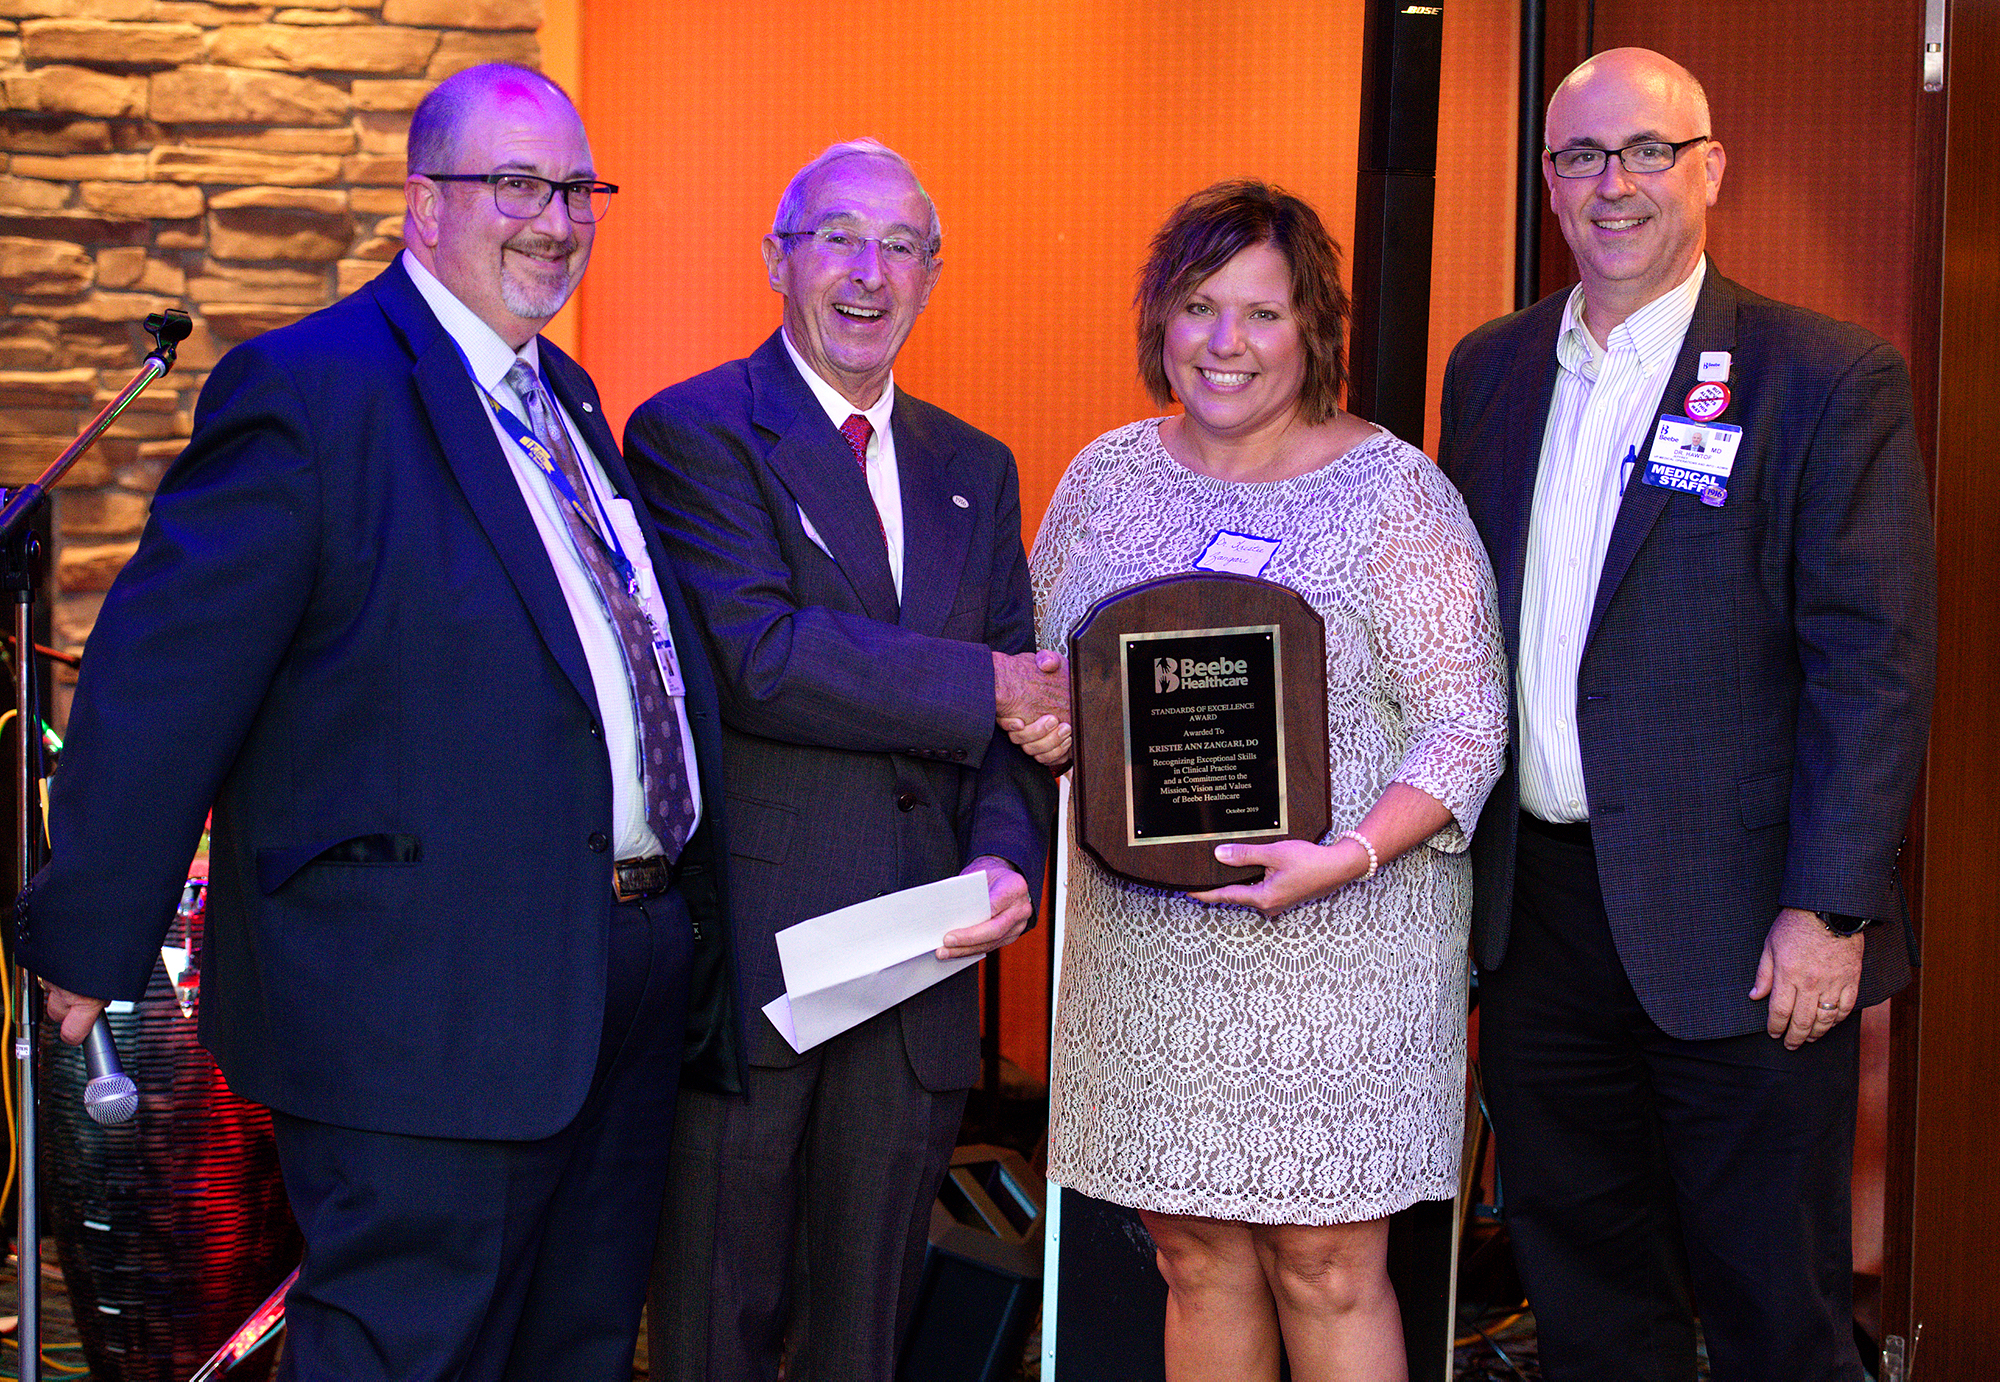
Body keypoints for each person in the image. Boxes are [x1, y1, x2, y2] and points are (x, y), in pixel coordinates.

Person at [13, 64, 740, 1381]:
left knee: (569, 1352)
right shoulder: (314, 389)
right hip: (421, 1002)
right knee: (407, 1351)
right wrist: (90, 927)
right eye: (516, 183)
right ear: (422, 204)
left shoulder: (566, 397)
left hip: (610, 982)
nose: (556, 217)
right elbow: (167, 669)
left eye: (577, 188)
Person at [1438, 48, 1936, 1382]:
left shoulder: (1822, 378)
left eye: (1648, 151)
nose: (1615, 185)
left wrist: (1832, 905)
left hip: (1748, 926)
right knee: (1590, 1302)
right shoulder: (1486, 371)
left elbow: (1871, 662)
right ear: (1548, 183)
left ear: (1711, 168)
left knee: (1777, 1307)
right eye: (1581, 157)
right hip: (1534, 918)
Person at [1021, 180, 1507, 1382]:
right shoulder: (1103, 479)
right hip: (1150, 955)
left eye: (1261, 314)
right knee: (1190, 1252)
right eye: (1197, 307)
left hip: (1343, 943)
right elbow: (1054, 674)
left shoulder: (1396, 493)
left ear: (1314, 332)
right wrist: (1049, 722)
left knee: (1325, 1260)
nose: (1223, 344)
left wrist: (1344, 853)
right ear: (1158, 319)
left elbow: (1465, 726)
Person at [624, 138, 1059, 1381]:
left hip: (923, 967)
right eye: (837, 238)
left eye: (901, 245)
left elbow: (1017, 714)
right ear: (777, 257)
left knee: (862, 1340)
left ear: (932, 272)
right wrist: (986, 688)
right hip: (762, 967)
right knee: (717, 1327)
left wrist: (1003, 858)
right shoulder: (693, 431)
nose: (869, 272)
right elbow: (763, 652)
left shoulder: (973, 466)